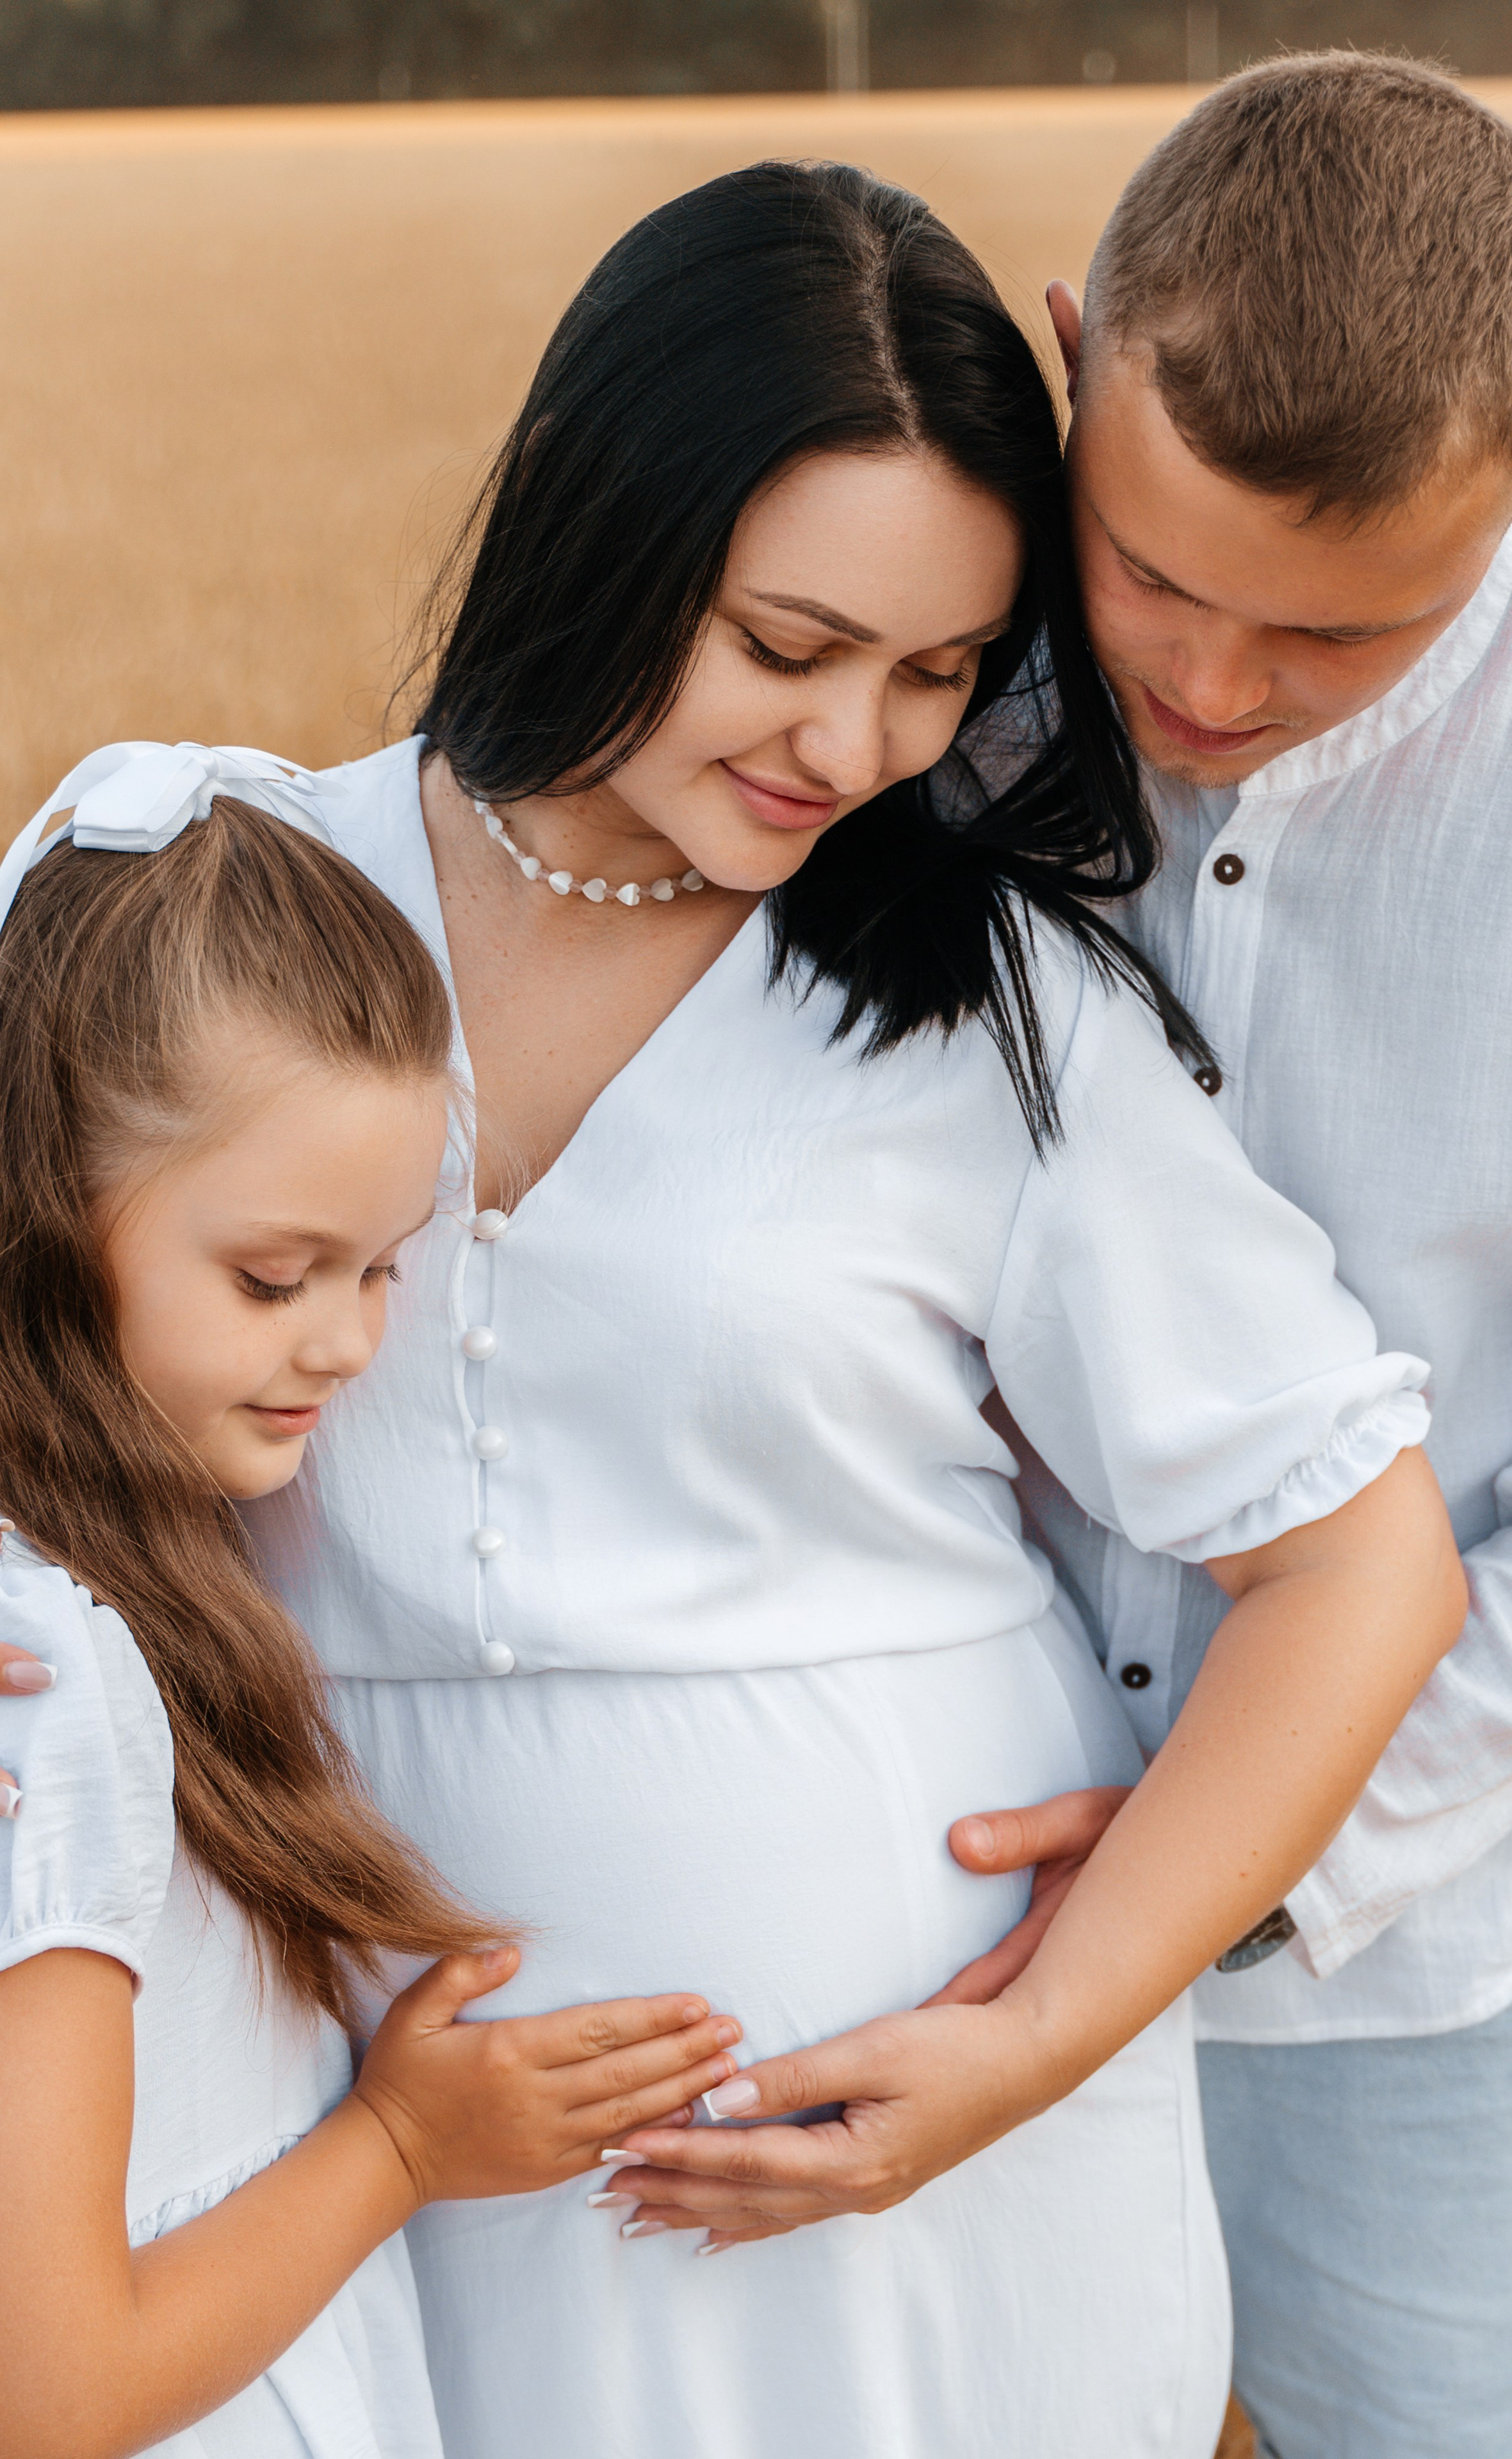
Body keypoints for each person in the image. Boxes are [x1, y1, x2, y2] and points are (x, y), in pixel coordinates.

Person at [0, 165, 1469, 2458]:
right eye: (787, 647)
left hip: (906, 2205)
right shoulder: (188, 904)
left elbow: (1356, 1557)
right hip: (367, 2165)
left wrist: (1033, 2046)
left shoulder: (997, 1017)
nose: (856, 751)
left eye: (940, 674)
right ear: (602, 535)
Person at [872, 55, 1512, 2459]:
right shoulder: (894, 683)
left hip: (1420, 1986)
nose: (1218, 692)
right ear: (1067, 362)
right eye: (1153, 578)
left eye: (1348, 634)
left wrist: (1236, 1857)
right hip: (901, 1896)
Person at [0, 748, 740, 2456]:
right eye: (276, 1276)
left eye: (381, 1268)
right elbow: (37, 2397)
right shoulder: (16, 1659)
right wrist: (402, 2148)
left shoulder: (125, 1574)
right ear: (53, 1212)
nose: (345, 1341)